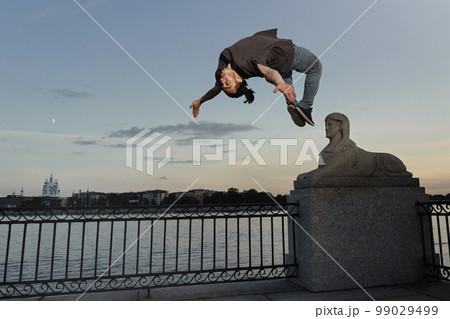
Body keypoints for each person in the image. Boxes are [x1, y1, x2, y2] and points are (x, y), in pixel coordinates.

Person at [189, 29, 322, 127]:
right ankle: (305, 106)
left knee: (286, 74)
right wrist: (280, 83)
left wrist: (200, 101)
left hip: (276, 63)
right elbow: (269, 72)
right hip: (285, 53)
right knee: (315, 67)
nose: (222, 80)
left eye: (224, 83)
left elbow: (216, 89)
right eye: (227, 83)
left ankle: (291, 104)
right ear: (239, 78)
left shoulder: (221, 72)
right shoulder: (246, 63)